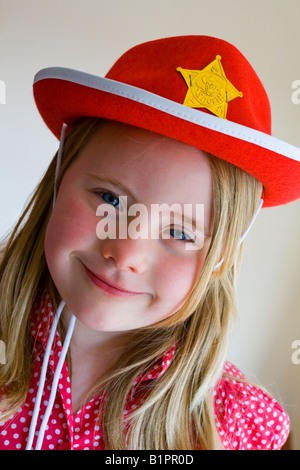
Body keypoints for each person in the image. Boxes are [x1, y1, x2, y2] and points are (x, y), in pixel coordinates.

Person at [0, 35, 299, 451]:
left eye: (179, 233)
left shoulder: (237, 426)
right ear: (60, 177)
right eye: (109, 199)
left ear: (221, 258)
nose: (125, 254)